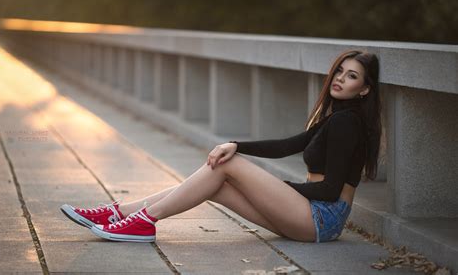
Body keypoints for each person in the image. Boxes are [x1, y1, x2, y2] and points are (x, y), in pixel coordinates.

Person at [60, 49, 382, 243]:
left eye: (351, 76)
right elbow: (287, 146)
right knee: (214, 183)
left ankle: (142, 221)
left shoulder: (346, 123)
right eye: (338, 71)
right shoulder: (333, 118)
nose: (339, 78)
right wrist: (236, 143)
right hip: (310, 220)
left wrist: (274, 187)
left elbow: (329, 191)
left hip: (321, 218)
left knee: (227, 165)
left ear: (365, 89)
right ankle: (120, 213)